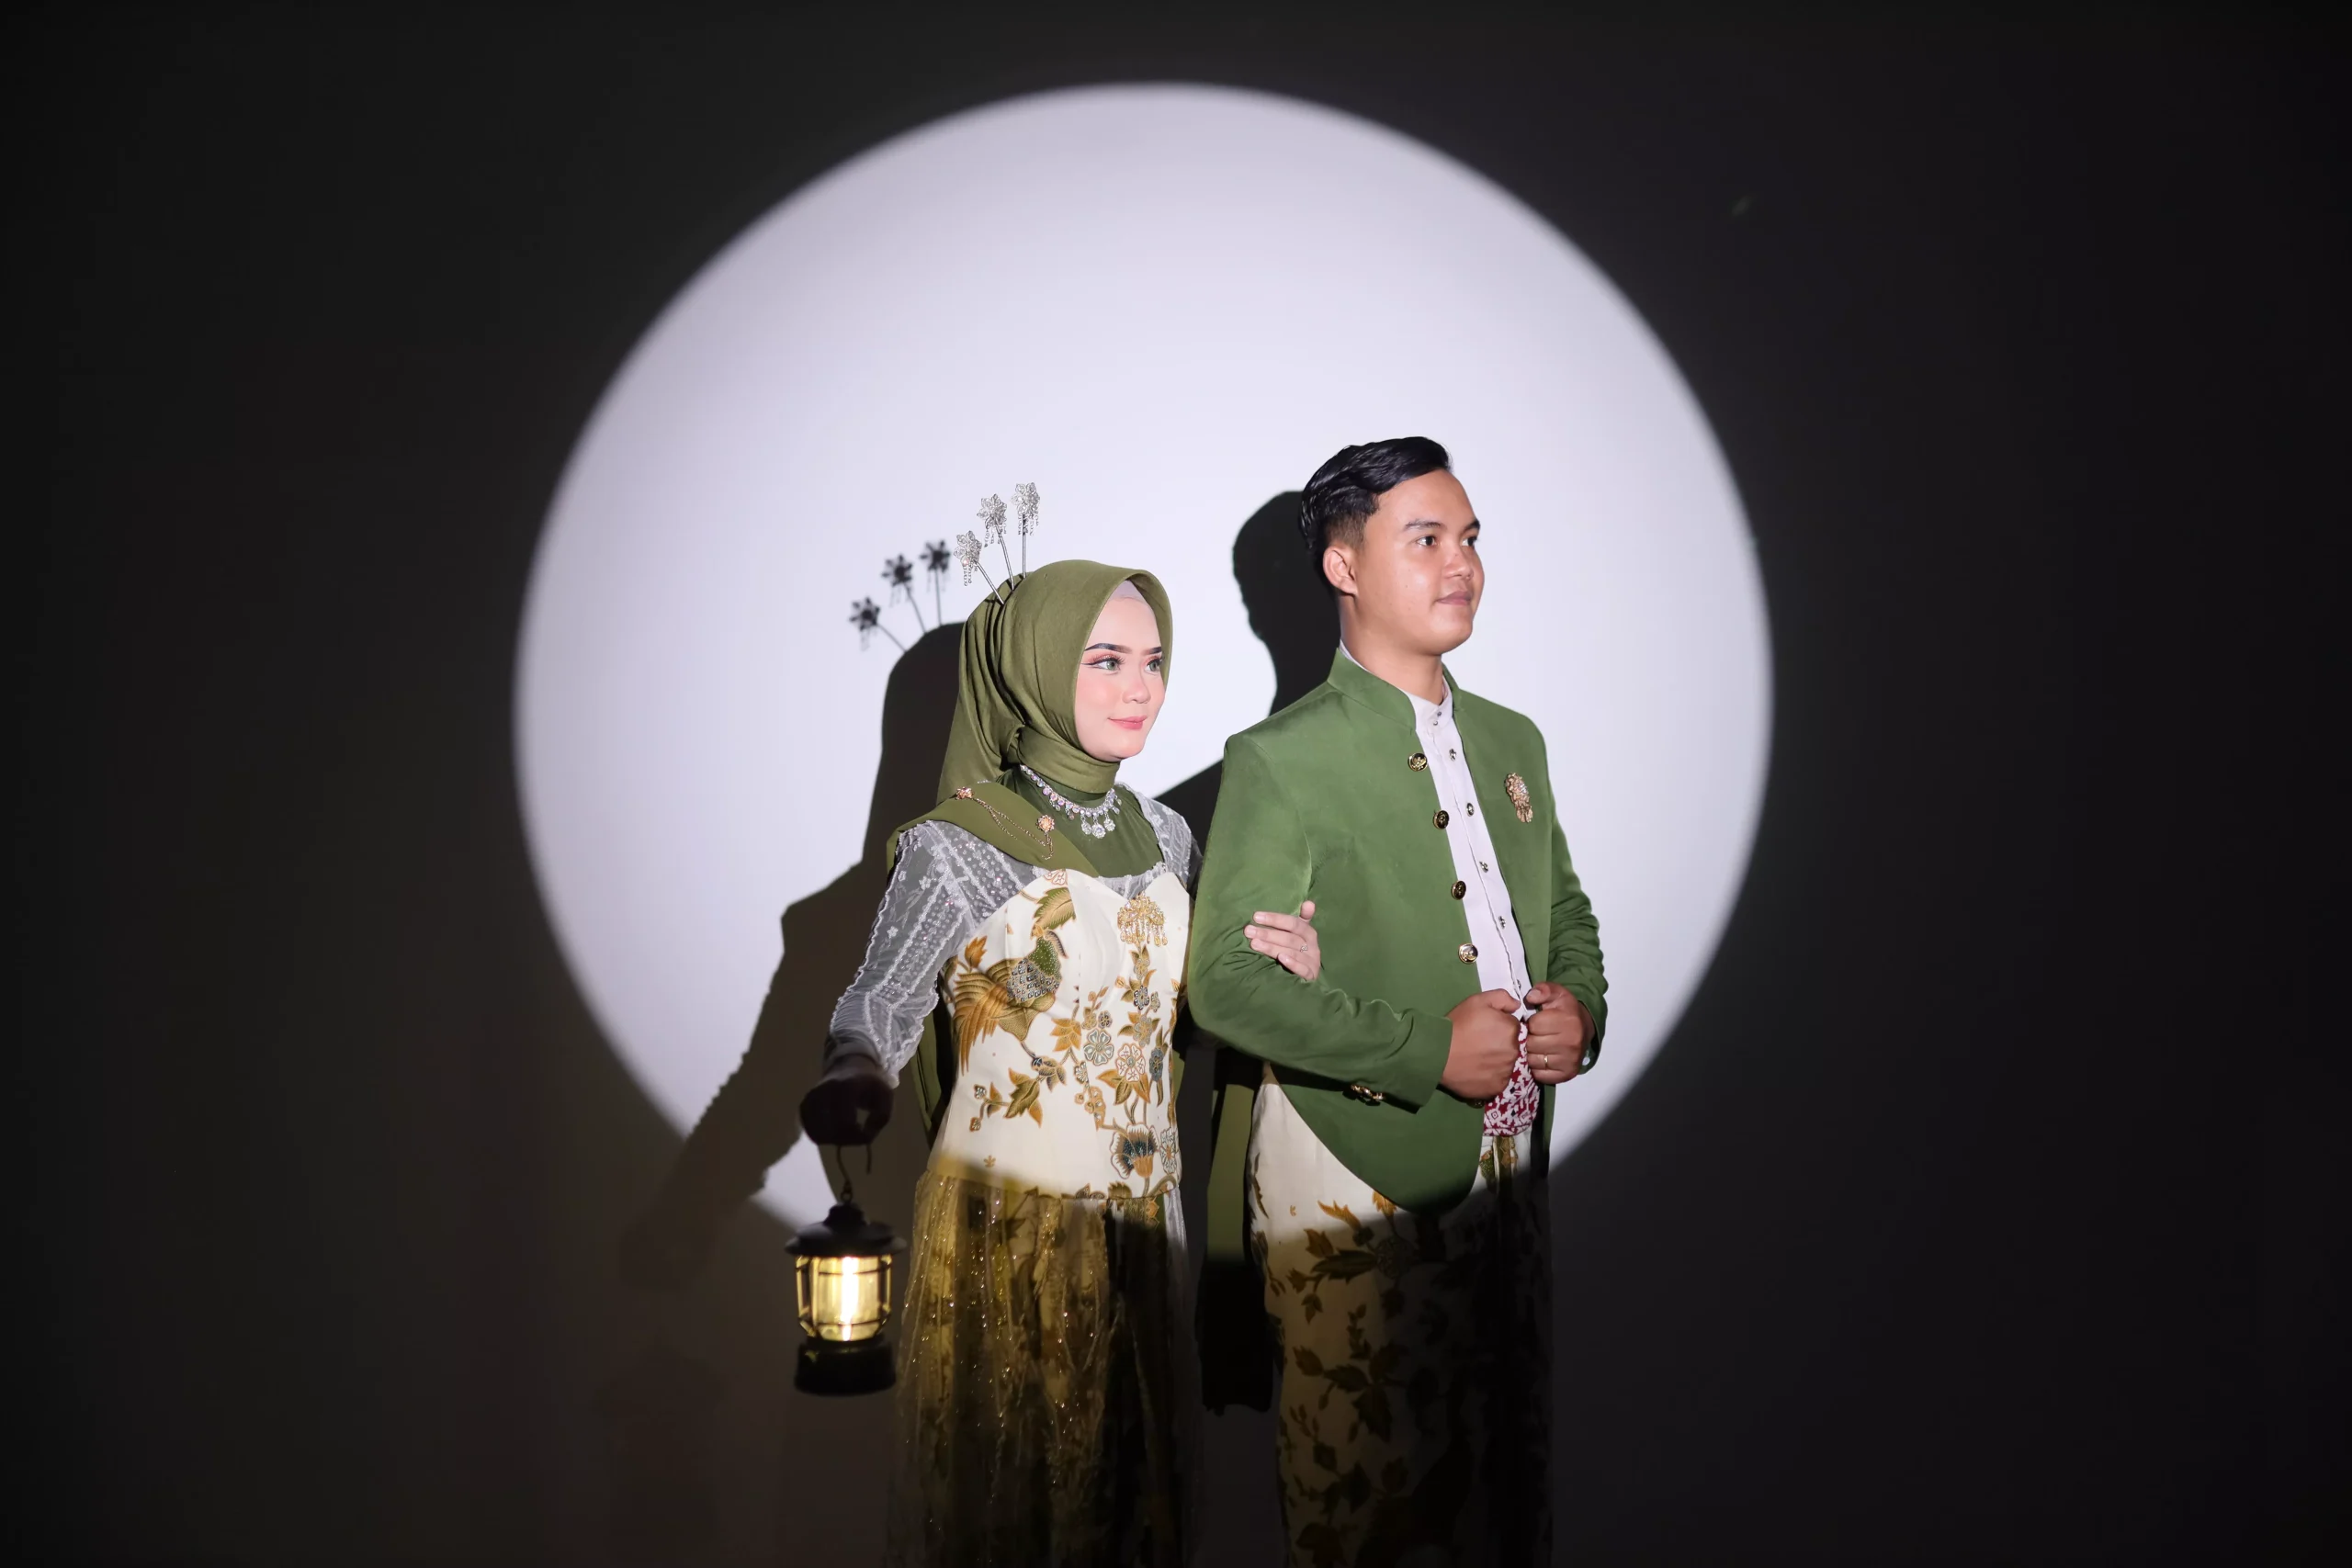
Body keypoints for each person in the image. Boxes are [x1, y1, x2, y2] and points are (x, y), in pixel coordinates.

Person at [799, 559, 1323, 1568]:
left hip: (1145, 1224)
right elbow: (882, 999)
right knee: (1020, 1514)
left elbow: (1196, 1015)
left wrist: (1283, 968)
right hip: (1012, 1227)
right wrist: (855, 1069)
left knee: (1132, 1511)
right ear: (1038, 669)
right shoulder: (962, 844)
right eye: (1107, 660)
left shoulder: (1166, 836)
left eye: (1154, 661)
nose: (1142, 688)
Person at [1189, 439, 1608, 1567]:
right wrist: (1427, 1051)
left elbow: (1564, 912)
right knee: (1368, 1513)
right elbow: (1223, 983)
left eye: (1468, 538)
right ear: (1343, 567)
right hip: (1351, 1172)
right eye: (1424, 539)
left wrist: (1579, 1012)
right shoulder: (1278, 758)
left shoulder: (1513, 740)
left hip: (1508, 1175)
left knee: (1506, 1500)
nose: (1460, 563)